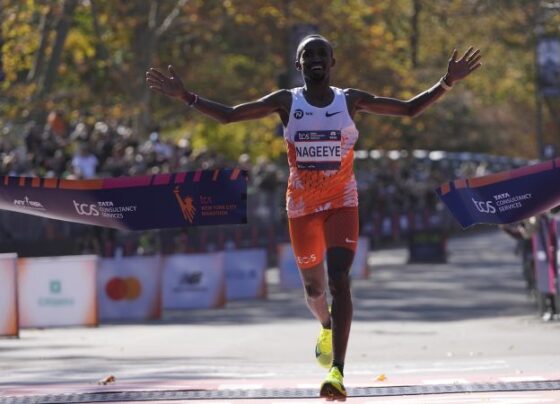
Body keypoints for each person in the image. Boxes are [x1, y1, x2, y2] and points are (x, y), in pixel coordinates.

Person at [146, 35, 481, 400]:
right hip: (302, 207)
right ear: (298, 64)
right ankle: (325, 323)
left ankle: (337, 372)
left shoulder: (349, 100)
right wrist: (186, 97)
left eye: (322, 53)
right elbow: (229, 116)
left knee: (339, 279)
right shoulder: (286, 102)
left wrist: (446, 82)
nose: (316, 58)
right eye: (308, 54)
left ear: (333, 62)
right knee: (314, 289)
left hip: (342, 202)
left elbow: (408, 109)